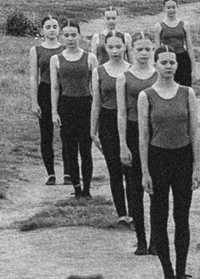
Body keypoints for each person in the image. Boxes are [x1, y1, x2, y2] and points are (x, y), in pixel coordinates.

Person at [135, 59, 199, 279]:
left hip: (183, 158)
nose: (169, 66)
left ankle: (182, 272)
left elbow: (194, 131)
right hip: (158, 158)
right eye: (164, 62)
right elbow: (143, 135)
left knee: (182, 217)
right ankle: (167, 273)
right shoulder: (146, 96)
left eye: (172, 62)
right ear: (156, 65)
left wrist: (197, 166)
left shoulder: (187, 93)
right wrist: (144, 171)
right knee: (159, 216)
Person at [92, 31, 139, 229]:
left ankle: (135, 213)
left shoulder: (132, 70)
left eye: (118, 47)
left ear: (125, 47)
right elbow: (96, 102)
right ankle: (122, 214)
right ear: (105, 48)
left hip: (128, 122)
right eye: (110, 47)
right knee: (114, 169)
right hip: (108, 122)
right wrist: (93, 130)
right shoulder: (99, 71)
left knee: (131, 171)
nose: (114, 51)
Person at [120, 36, 157, 256]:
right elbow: (121, 113)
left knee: (156, 189)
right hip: (133, 131)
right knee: (134, 189)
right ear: (132, 50)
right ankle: (140, 239)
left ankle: (156, 240)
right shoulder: (124, 77)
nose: (143, 53)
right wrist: (123, 144)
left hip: (155, 133)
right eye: (139, 49)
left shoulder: (158, 74)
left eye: (147, 49)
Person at [50, 22, 96, 196]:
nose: (70, 39)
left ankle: (87, 189)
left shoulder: (90, 58)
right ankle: (76, 188)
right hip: (66, 106)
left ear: (80, 35)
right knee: (70, 150)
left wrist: (96, 111)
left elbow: (95, 87)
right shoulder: (56, 59)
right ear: (62, 36)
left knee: (85, 149)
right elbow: (55, 87)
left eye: (73, 35)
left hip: (85, 105)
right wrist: (54, 111)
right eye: (67, 35)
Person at [28, 15, 62, 185]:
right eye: (48, 27)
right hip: (45, 91)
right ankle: (51, 173)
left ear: (59, 29)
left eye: (54, 26)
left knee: (67, 133)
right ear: (42, 30)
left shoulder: (65, 48)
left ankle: (69, 172)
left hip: (63, 92)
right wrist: (34, 101)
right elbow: (34, 77)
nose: (51, 30)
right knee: (46, 133)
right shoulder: (36, 50)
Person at [156, 0, 194, 88]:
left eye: (173, 7)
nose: (171, 10)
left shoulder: (184, 25)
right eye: (168, 7)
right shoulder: (158, 26)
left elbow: (190, 47)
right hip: (168, 59)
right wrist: (158, 68)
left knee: (185, 87)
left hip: (183, 59)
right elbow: (157, 50)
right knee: (168, 86)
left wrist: (193, 67)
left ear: (177, 7)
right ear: (164, 8)